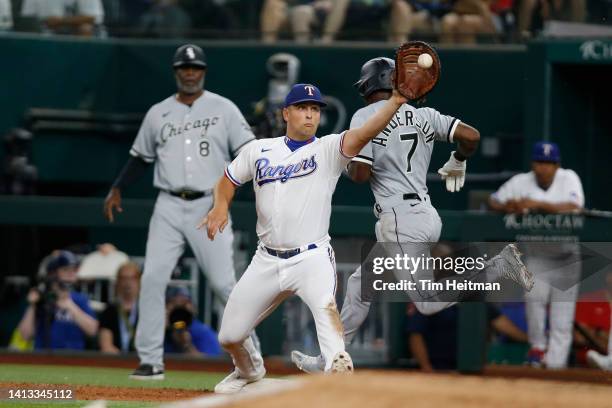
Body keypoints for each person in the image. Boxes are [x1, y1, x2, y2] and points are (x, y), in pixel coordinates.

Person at [291, 57, 534, 373]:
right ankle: (330, 359)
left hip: (400, 220)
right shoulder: (425, 115)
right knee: (359, 287)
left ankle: (500, 266)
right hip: (423, 215)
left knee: (427, 303)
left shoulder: (365, 115)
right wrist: (458, 159)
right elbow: (471, 137)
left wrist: (344, 160)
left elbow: (361, 174)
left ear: (370, 84)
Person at [104, 44, 256, 380]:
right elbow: (141, 157)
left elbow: (248, 152)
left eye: (195, 68)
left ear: (203, 72)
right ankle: (150, 360)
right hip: (168, 204)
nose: (190, 73)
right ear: (176, 72)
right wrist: (118, 187)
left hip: (209, 202)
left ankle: (251, 360)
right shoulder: (158, 112)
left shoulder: (223, 108)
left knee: (223, 284)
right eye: (184, 68)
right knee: (154, 278)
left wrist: (232, 194)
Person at [489, 141, 584, 369]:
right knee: (534, 299)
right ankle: (537, 350)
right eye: (540, 162)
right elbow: (493, 200)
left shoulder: (568, 177)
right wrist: (508, 206)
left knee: (562, 319)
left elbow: (575, 206)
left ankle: (555, 368)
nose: (543, 167)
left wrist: (537, 204)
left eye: (548, 163)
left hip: (567, 259)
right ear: (533, 164)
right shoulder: (521, 182)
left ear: (556, 165)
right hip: (538, 256)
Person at [16, 251, 98, 350]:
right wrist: (32, 306)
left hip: (74, 359)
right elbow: (25, 335)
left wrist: (70, 305)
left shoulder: (80, 299)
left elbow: (93, 331)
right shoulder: (41, 298)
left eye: (74, 270)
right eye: (65, 270)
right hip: (42, 360)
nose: (71, 274)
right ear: (53, 273)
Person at [164, 287, 221, 356]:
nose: (179, 308)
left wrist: (186, 345)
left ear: (193, 308)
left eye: (184, 304)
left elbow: (213, 364)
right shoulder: (160, 330)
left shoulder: (201, 331)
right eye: (174, 303)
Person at [98, 262, 141, 354]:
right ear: (118, 281)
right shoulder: (109, 310)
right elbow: (106, 346)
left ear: (139, 281)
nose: (127, 283)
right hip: (115, 362)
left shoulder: (147, 310)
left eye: (132, 278)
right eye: (123, 278)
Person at [20, 0, 106, 37]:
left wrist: (60, 21)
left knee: (85, 28)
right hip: (44, 35)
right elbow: (27, 20)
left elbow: (92, 17)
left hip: (77, 35)